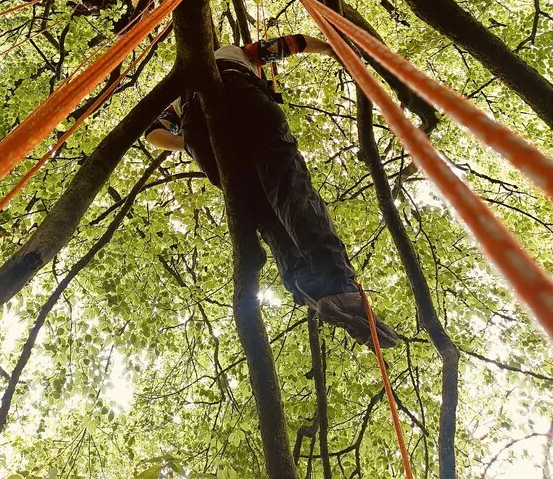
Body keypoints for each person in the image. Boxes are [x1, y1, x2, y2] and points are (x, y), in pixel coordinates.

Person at [145, 33, 398, 348]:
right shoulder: (238, 54)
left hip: (202, 131)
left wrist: (193, 142)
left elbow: (153, 133)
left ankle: (306, 284)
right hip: (247, 102)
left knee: (265, 215)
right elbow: (295, 43)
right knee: (289, 188)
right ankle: (337, 285)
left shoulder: (178, 94)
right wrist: (332, 50)